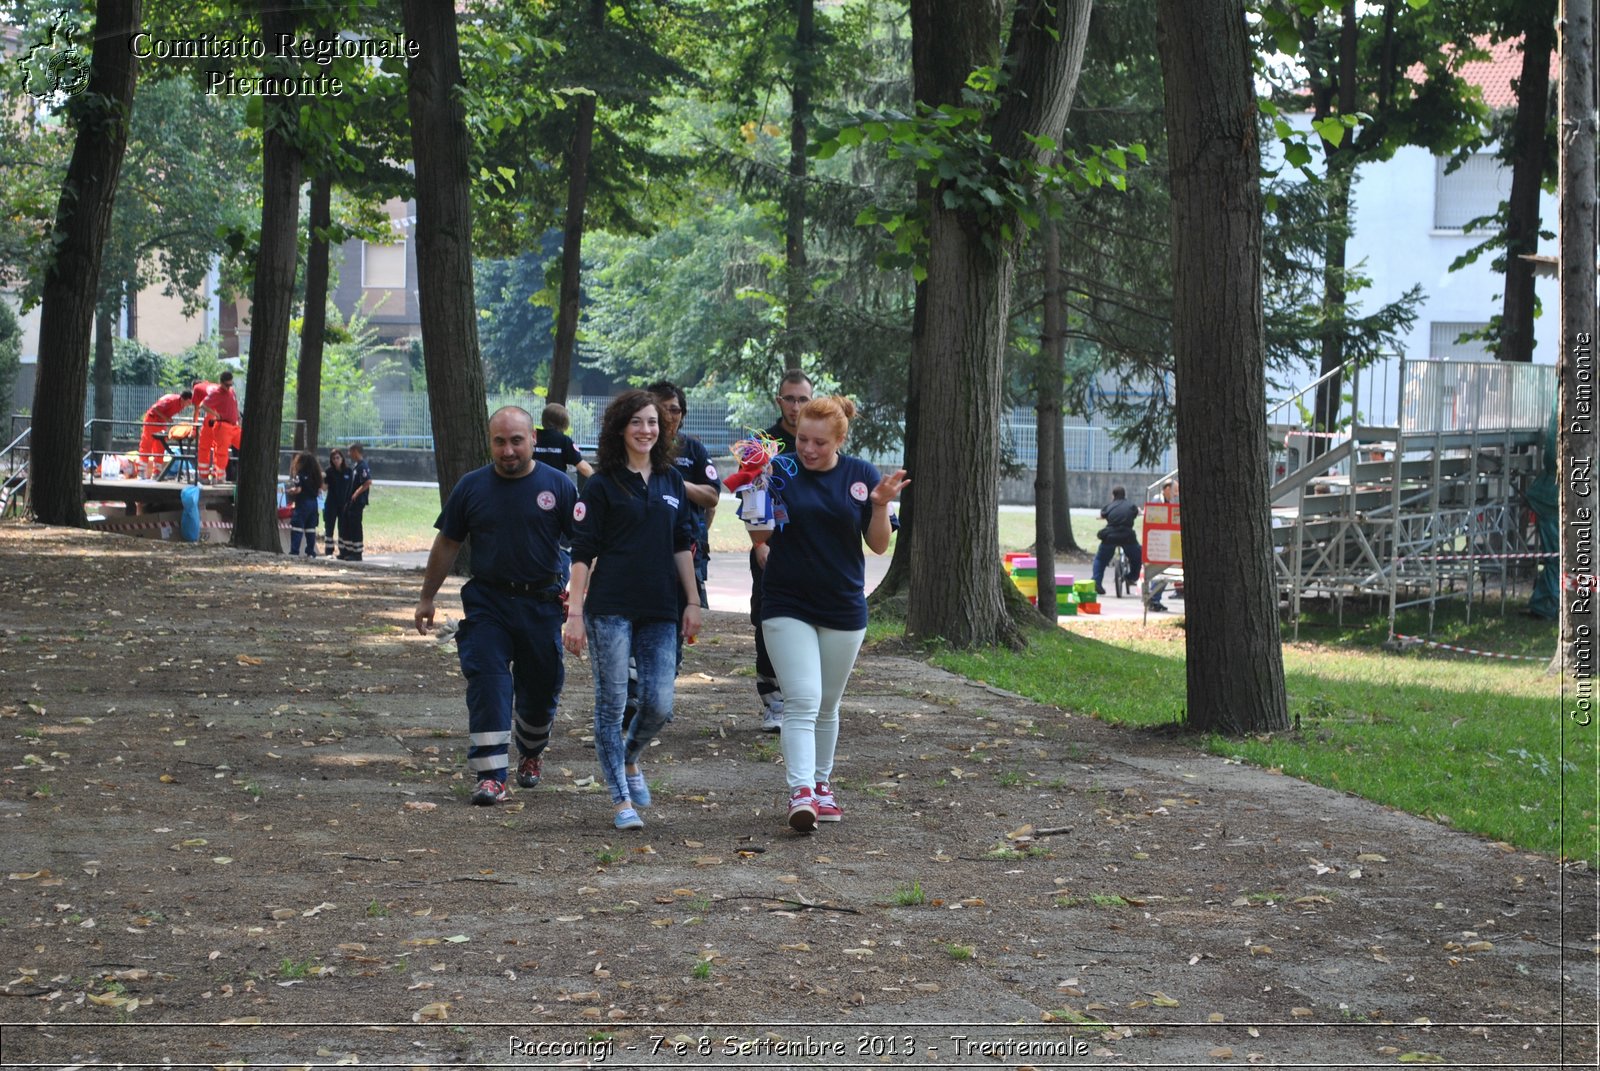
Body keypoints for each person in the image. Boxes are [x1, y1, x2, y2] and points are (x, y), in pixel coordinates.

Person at [754, 395, 906, 832]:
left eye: (819, 442)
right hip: (786, 602)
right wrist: (755, 491)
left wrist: (879, 505)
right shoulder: (778, 469)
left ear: (839, 439)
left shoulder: (861, 475)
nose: (808, 449)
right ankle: (800, 791)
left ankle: (822, 784)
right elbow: (760, 535)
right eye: (802, 438)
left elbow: (878, 545)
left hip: (842, 605)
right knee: (801, 699)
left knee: (827, 703)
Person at [414, 407, 576, 806]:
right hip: (488, 602)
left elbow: (586, 548)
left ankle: (532, 752)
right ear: (490, 442)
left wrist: (582, 605)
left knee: (541, 687)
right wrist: (427, 597)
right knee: (488, 681)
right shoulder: (471, 487)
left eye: (516, 440)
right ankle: (491, 776)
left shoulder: (559, 486)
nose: (508, 450)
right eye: (500, 441)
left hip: (541, 604)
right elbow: (448, 543)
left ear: (533, 439)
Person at [563, 390, 701, 831]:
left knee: (659, 703)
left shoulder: (672, 481)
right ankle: (620, 800)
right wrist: (575, 613)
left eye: (653, 423)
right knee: (612, 704)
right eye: (637, 422)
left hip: (661, 607)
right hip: (610, 608)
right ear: (620, 428)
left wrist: (693, 600)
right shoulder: (602, 484)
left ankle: (630, 759)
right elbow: (582, 552)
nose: (646, 430)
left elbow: (683, 544)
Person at [752, 369, 812, 732]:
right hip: (771, 549)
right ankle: (772, 702)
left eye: (802, 399)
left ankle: (802, 697)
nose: (795, 406)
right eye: (789, 398)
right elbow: (750, 500)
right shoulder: (762, 444)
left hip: (812, 551)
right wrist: (758, 543)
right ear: (779, 401)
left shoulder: (820, 440)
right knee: (768, 623)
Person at [1092, 485, 1141, 597]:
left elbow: (1102, 514)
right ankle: (1131, 577)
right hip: (1127, 536)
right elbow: (1137, 512)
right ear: (1124, 495)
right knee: (1137, 556)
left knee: (1100, 558)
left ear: (1113, 495)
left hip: (1111, 536)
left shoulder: (1109, 506)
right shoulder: (1131, 506)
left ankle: (1097, 581)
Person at [194, 370, 241, 484]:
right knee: (219, 450)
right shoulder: (215, 392)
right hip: (222, 423)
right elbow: (201, 406)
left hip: (232, 425)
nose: (228, 387)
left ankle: (211, 475)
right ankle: (218, 477)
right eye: (227, 385)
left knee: (209, 447)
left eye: (230, 385)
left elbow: (197, 408)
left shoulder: (230, 391)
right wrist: (216, 415)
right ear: (221, 382)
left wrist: (238, 417)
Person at [137, 389, 193, 478]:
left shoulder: (181, 405)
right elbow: (155, 408)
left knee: (160, 446)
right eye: (189, 402)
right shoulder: (170, 400)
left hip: (161, 422)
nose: (189, 405)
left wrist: (166, 420)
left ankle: (157, 472)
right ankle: (141, 471)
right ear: (183, 399)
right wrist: (166, 418)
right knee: (147, 444)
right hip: (152, 420)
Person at [533, 403, 595, 480]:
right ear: (564, 421)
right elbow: (582, 467)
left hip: (534, 483)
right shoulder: (564, 441)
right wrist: (596, 479)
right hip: (557, 486)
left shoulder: (532, 438)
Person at [1146, 480, 1179, 612]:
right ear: (1166, 489)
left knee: (1163, 572)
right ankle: (1153, 599)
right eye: (1175, 490)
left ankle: (1155, 599)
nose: (1176, 494)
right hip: (1158, 541)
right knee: (1159, 571)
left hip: (1165, 541)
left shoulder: (1167, 502)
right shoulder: (1157, 501)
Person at [338, 443, 372, 561]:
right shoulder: (356, 466)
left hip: (358, 501)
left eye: (350, 451)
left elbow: (367, 482)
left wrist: (356, 493)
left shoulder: (363, 466)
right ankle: (347, 550)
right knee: (347, 524)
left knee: (355, 525)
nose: (348, 454)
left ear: (356, 451)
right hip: (350, 501)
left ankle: (357, 553)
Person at [287, 451, 323, 557]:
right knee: (310, 528)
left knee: (297, 527)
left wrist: (290, 491)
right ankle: (310, 552)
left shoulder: (300, 475)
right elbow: (320, 490)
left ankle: (294, 551)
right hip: (313, 503)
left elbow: (298, 489)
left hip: (303, 503)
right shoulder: (316, 475)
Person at [323, 448, 352, 549]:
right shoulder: (329, 471)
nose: (336, 460)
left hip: (344, 504)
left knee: (342, 528)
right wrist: (320, 479)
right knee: (329, 527)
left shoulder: (348, 471)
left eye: (337, 458)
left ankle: (342, 551)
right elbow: (324, 488)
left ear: (342, 458)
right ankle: (329, 550)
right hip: (331, 504)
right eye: (333, 458)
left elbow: (351, 488)